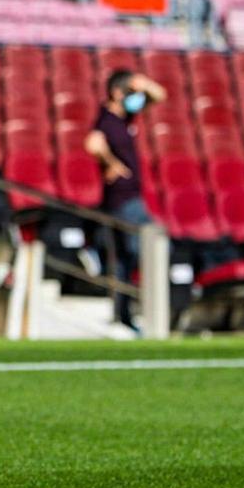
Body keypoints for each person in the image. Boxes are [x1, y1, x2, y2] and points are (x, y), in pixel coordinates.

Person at [84, 69, 166, 329]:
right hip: (122, 199)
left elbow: (160, 96)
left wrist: (143, 82)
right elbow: (92, 144)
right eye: (132, 93)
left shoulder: (125, 117)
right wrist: (111, 163)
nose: (137, 98)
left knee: (125, 260)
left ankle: (124, 314)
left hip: (129, 197)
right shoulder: (106, 119)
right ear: (117, 93)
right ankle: (145, 311)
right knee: (151, 248)